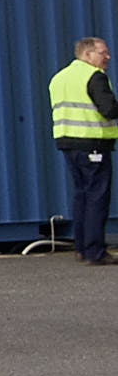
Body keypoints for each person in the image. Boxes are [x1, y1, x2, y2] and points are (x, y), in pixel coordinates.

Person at [49, 37, 118, 263]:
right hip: (92, 142)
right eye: (102, 52)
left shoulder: (59, 78)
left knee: (82, 196)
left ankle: (81, 248)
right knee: (97, 197)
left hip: (68, 143)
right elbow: (108, 109)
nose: (107, 57)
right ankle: (95, 251)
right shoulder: (94, 76)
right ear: (87, 55)